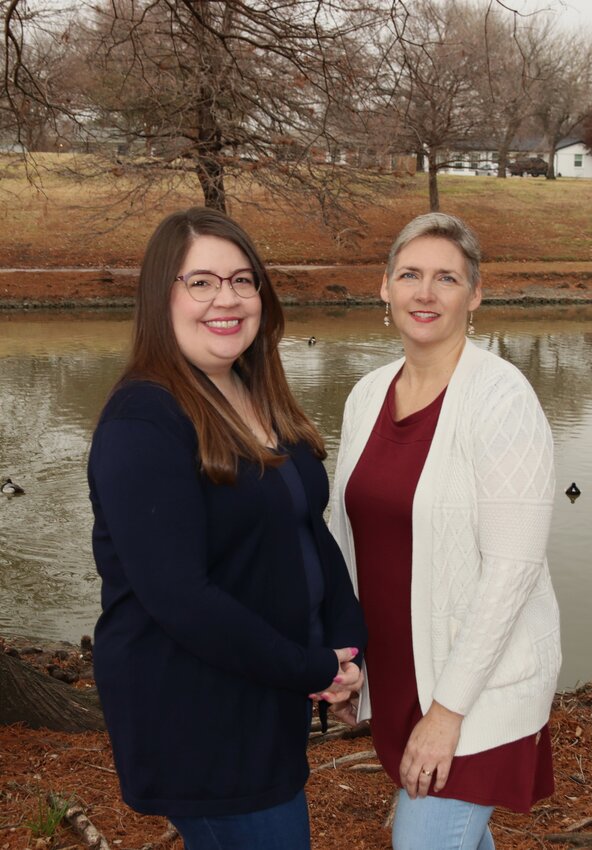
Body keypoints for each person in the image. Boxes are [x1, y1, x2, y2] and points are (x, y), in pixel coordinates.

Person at [88, 206, 366, 850]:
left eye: (244, 281)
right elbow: (180, 598)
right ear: (163, 296)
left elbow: (306, 526)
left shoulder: (251, 391)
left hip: (262, 691)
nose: (228, 299)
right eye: (202, 282)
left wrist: (347, 648)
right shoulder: (143, 421)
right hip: (197, 712)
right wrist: (308, 667)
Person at [328, 213, 561, 850]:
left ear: (475, 294)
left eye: (446, 279)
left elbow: (513, 567)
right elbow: (344, 535)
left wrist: (448, 712)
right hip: (401, 670)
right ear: (385, 288)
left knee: (426, 840)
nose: (425, 293)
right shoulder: (366, 394)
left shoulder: (501, 397)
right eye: (410, 275)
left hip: (476, 688)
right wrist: (350, 659)